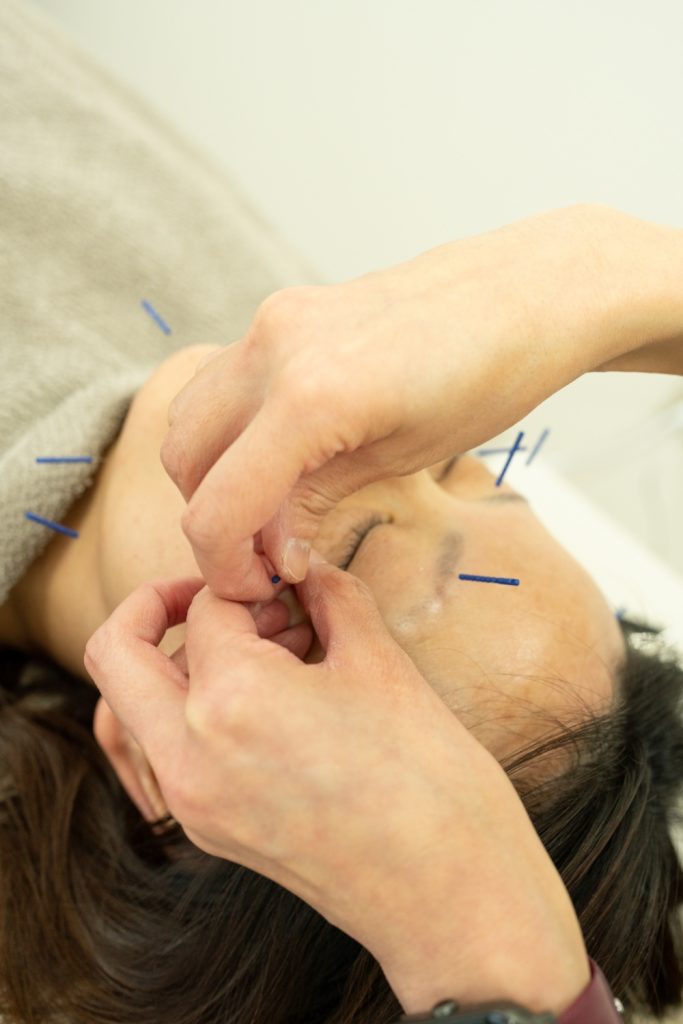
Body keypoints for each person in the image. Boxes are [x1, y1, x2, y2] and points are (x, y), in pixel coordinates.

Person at [0, 2, 681, 1023]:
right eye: (459, 463)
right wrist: (600, 273)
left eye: (356, 544)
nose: (366, 446)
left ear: (169, 764)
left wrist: (481, 941)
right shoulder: (310, 359)